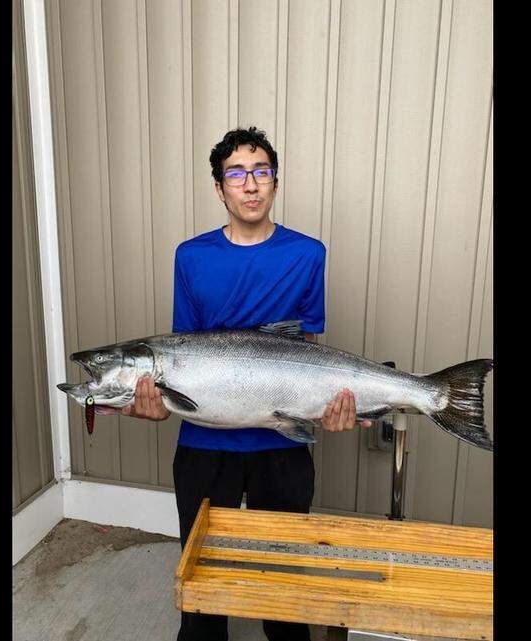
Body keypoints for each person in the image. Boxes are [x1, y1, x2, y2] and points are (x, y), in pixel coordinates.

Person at [122, 126, 371, 641]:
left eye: (261, 172)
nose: (251, 184)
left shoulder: (308, 253)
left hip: (279, 446)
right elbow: (186, 352)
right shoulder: (190, 256)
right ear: (220, 189)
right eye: (237, 174)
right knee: (203, 588)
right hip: (203, 444)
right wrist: (158, 402)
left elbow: (302, 352)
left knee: (282, 589)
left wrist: (333, 407)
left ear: (275, 183)